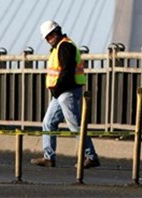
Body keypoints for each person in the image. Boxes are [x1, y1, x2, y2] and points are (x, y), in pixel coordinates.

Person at [30, 20, 100, 168]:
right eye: (47, 38)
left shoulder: (65, 46)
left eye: (49, 37)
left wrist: (57, 88)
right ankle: (49, 157)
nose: (48, 40)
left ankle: (91, 156)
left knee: (74, 125)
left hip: (67, 91)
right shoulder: (58, 48)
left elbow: (66, 72)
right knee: (48, 123)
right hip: (60, 93)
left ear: (56, 33)